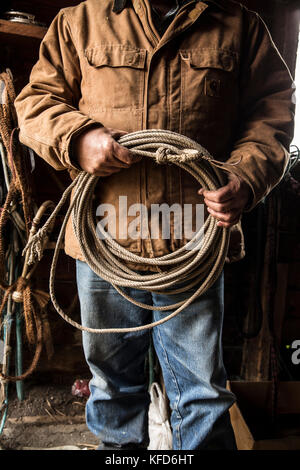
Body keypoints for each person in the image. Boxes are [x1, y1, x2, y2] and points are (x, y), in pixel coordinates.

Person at [15, 0, 294, 450]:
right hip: (105, 236)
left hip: (193, 241)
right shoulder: (80, 20)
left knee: (202, 393)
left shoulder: (241, 27)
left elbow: (272, 114)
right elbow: (34, 103)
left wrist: (245, 176)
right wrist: (77, 138)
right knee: (112, 387)